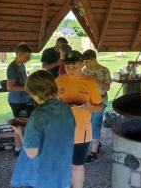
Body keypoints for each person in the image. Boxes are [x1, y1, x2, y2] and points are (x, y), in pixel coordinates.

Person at [10, 70, 75, 188]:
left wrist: (21, 132)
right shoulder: (65, 108)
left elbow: (31, 153)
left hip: (44, 178)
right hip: (63, 172)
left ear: (33, 93)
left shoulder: (37, 115)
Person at [55, 50, 103, 188]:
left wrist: (88, 107)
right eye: (68, 67)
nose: (71, 70)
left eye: (74, 67)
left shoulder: (90, 83)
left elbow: (99, 108)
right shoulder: (58, 81)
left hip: (81, 132)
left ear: (82, 64)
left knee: (76, 166)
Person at [82, 49, 111, 163]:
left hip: (100, 101)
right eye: (84, 62)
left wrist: (95, 80)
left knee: (95, 124)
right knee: (87, 124)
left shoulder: (104, 71)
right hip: (88, 102)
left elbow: (107, 87)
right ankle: (97, 142)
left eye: (87, 62)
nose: (85, 65)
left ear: (93, 59)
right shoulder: (85, 70)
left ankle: (94, 152)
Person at [6, 43, 34, 156]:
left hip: (24, 99)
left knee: (23, 124)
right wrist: (27, 88)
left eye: (29, 56)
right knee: (19, 125)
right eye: (27, 56)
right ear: (19, 54)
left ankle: (22, 147)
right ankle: (18, 149)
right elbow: (10, 87)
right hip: (17, 101)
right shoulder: (12, 67)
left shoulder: (21, 65)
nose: (29, 58)